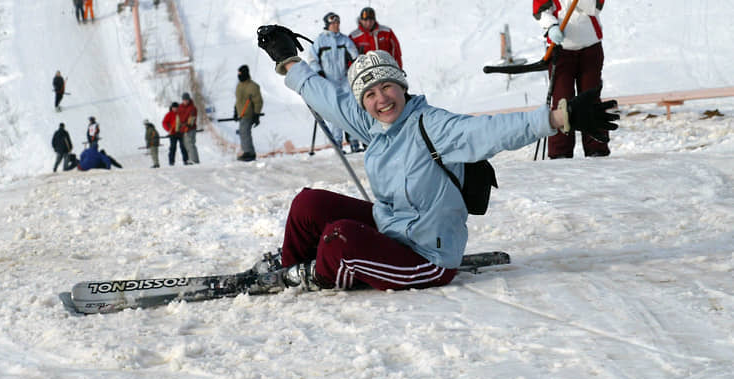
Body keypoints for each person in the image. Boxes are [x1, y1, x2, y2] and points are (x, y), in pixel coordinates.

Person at [254, 24, 618, 293]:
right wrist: (289, 61)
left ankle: (312, 275)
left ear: (402, 86)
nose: (381, 99)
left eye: (387, 87)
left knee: (339, 238)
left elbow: (492, 131)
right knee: (309, 203)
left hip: (426, 257)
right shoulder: (374, 125)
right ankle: (291, 264)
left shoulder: (434, 126)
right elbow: (328, 98)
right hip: (391, 231)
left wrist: (558, 118)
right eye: (370, 94)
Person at [533, 0, 611, 159]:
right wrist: (551, 27)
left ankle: (596, 147)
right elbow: (540, 11)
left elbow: (594, 7)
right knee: (562, 103)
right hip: (561, 50)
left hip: (589, 47)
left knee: (590, 97)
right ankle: (560, 153)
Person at [309, 12, 360, 150]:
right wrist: (318, 72)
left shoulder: (344, 40)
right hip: (328, 82)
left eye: (338, 23)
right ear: (327, 25)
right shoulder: (320, 41)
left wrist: (357, 66)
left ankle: (354, 141)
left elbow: (355, 56)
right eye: (333, 23)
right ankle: (337, 143)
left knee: (350, 110)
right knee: (335, 112)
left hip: (344, 81)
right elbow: (312, 59)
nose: (336, 26)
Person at [234, 65, 264, 162]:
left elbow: (258, 101)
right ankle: (247, 151)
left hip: (249, 113)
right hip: (241, 113)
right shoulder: (239, 85)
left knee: (244, 132)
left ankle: (249, 153)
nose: (239, 76)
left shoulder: (253, 86)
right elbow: (238, 100)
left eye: (240, 74)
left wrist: (256, 114)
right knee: (243, 132)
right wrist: (235, 111)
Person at [178, 92, 199, 164]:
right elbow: (178, 117)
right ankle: (191, 158)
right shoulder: (180, 107)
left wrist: (188, 126)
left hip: (191, 128)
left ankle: (194, 159)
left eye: (186, 100)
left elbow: (192, 117)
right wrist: (178, 127)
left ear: (189, 100)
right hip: (183, 128)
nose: (185, 101)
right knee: (186, 144)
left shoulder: (192, 108)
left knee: (191, 143)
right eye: (184, 100)